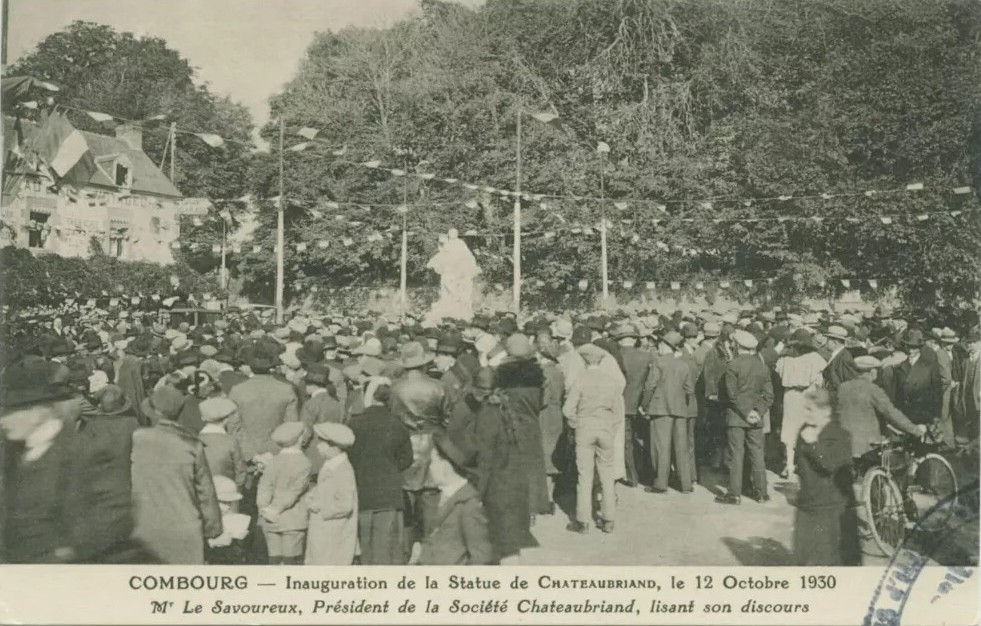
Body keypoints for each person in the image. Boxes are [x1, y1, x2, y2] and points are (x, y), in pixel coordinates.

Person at [1, 357, 90, 562]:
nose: (2, 421)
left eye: (10, 411)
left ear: (38, 413)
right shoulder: (14, 452)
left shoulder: (78, 454)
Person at [131, 385, 223, 564]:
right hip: (184, 527)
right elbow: (206, 493)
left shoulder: (135, 440)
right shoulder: (192, 445)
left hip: (143, 528)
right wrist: (213, 528)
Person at [348, 379, 414, 565]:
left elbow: (349, 456)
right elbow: (407, 459)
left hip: (362, 491)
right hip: (389, 494)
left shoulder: (355, 424)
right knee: (387, 550)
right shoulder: (398, 424)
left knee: (365, 548)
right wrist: (391, 468)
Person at [793, 389, 860, 566]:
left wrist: (813, 445)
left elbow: (830, 465)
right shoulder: (805, 430)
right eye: (805, 409)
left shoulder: (840, 435)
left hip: (829, 510)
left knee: (827, 562)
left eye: (810, 409)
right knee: (803, 559)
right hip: (807, 504)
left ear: (826, 411)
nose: (805, 413)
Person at [563, 343, 621, 534]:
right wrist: (609, 428)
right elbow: (618, 413)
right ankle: (609, 519)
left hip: (585, 429)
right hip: (605, 429)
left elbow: (567, 409)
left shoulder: (580, 380)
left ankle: (583, 521)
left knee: (585, 476)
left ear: (585, 361)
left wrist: (575, 423)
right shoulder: (611, 382)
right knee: (606, 476)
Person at [413, 431, 493, 565]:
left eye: (432, 462)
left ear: (447, 465)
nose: (429, 468)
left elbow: (481, 557)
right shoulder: (441, 497)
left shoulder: (469, 504)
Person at [716, 330, 773, 505]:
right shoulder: (762, 367)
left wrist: (746, 412)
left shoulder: (732, 366)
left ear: (738, 346)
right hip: (756, 418)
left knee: (736, 455)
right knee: (757, 454)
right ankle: (761, 492)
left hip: (736, 417)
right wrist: (757, 411)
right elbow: (769, 395)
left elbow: (732, 395)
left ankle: (734, 494)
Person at [496, 334, 550, 517]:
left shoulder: (501, 373)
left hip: (508, 425)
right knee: (532, 467)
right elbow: (544, 403)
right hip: (531, 425)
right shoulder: (537, 373)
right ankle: (532, 509)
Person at [835, 356, 926, 459]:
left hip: (844, 445)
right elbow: (891, 413)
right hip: (867, 447)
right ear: (873, 372)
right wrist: (915, 430)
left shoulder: (842, 387)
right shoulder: (873, 390)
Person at [642, 330, 695, 494]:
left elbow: (650, 385)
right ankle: (686, 484)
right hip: (680, 410)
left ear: (665, 345)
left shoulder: (659, 362)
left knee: (661, 447)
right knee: (681, 447)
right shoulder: (683, 364)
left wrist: (644, 405)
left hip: (660, 408)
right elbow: (689, 389)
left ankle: (660, 483)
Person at [227, 343, 300, 463]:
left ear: (250, 365)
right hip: (276, 454)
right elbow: (290, 427)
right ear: (272, 365)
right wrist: (272, 452)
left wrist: (252, 455)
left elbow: (233, 428)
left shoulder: (237, 390)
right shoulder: (286, 390)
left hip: (245, 455)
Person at [257, 422, 311, 565]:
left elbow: (264, 487)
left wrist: (265, 508)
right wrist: (277, 508)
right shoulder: (304, 463)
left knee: (274, 561)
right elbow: (295, 491)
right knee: (291, 562)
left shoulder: (273, 461)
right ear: (300, 439)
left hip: (269, 520)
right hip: (293, 520)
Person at [775, 329, 826, 479]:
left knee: (790, 429)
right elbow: (819, 380)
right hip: (808, 395)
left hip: (790, 395)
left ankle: (789, 465)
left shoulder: (785, 358)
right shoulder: (815, 358)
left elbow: (778, 374)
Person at [304, 422, 358, 565]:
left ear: (334, 447)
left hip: (333, 534)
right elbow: (326, 489)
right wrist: (313, 494)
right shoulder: (331, 464)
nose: (317, 446)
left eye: (321, 443)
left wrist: (320, 506)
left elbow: (345, 505)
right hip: (324, 532)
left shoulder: (343, 470)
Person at [198, 397, 247, 491]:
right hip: (226, 493)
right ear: (226, 419)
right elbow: (241, 474)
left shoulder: (195, 440)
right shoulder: (230, 442)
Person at [205, 476, 251, 565]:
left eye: (230, 503)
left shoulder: (226, 516)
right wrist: (214, 543)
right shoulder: (199, 518)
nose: (227, 507)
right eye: (223, 502)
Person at [822, 325, 861, 394]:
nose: (826, 343)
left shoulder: (844, 357)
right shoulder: (838, 355)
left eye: (828, 340)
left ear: (835, 342)